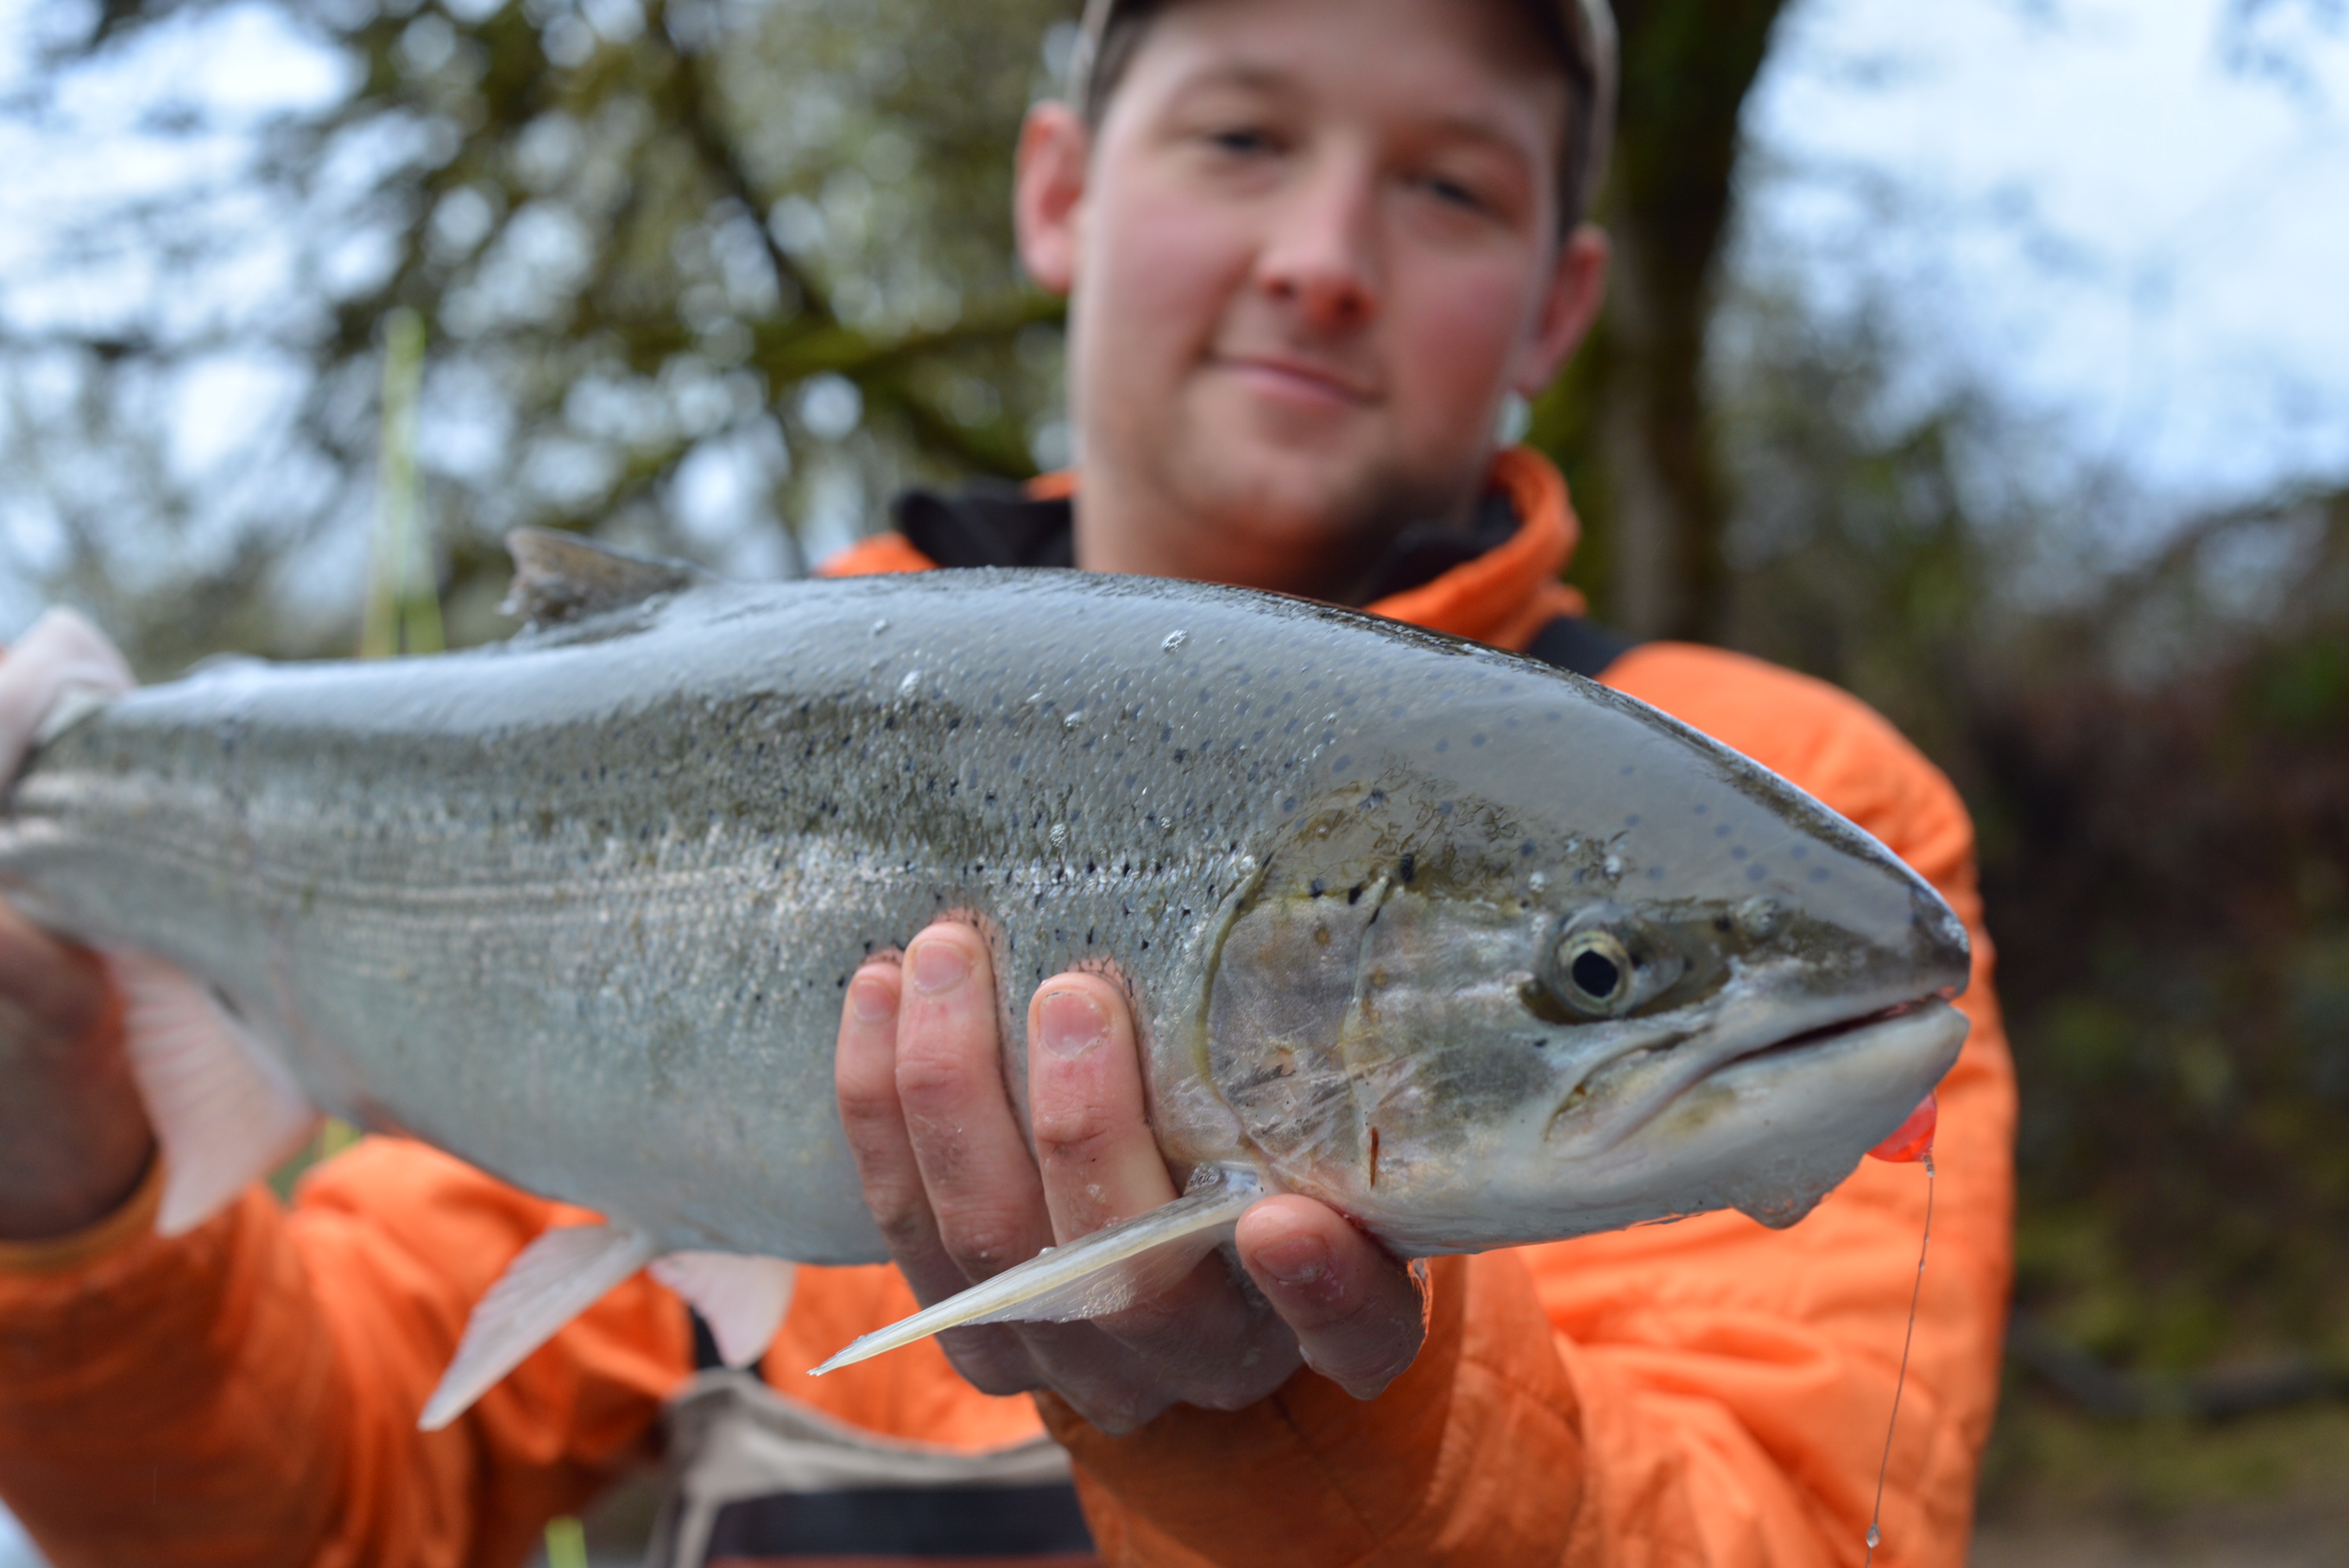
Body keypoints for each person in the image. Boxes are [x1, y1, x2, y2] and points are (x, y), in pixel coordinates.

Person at [0, 0, 2017, 1563]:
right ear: (1056, 189)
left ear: (1563, 307)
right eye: (1242, 135)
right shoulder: (698, 733)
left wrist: (1297, 1423)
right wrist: (63, 1191)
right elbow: (331, 1504)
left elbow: (1791, 1528)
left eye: (1450, 188)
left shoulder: (1795, 800)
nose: (1323, 255)